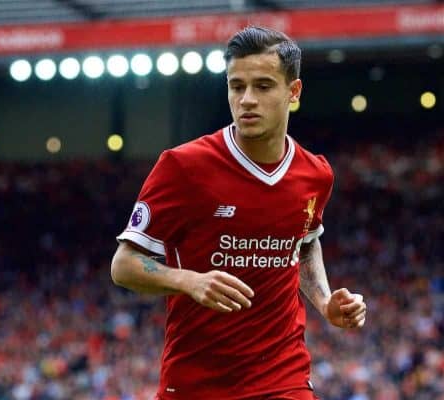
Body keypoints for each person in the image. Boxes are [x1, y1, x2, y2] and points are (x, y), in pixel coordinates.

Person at [110, 26, 367, 400]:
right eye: (236, 86)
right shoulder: (184, 167)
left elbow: (305, 243)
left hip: (284, 377)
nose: (246, 99)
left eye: (263, 86)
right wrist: (189, 281)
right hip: (197, 382)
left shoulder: (316, 174)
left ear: (293, 92)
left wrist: (326, 301)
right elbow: (124, 265)